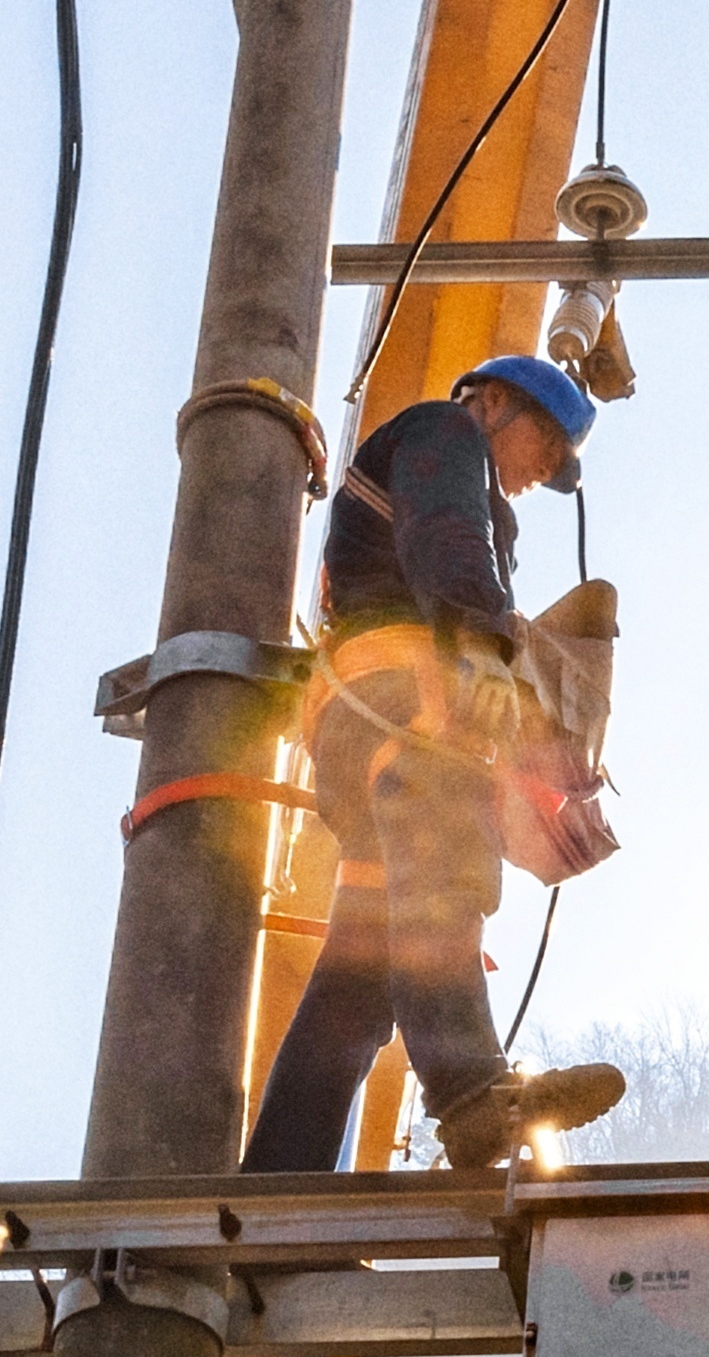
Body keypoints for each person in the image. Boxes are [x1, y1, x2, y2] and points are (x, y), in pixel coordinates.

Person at [241, 350, 625, 1175]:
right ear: (494, 403)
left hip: (361, 724)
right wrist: (484, 645)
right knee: (448, 858)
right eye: (545, 451)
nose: (541, 474)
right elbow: (446, 530)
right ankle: (472, 1096)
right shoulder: (446, 432)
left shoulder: (447, 460)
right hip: (402, 708)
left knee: (363, 975)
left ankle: (282, 1176)